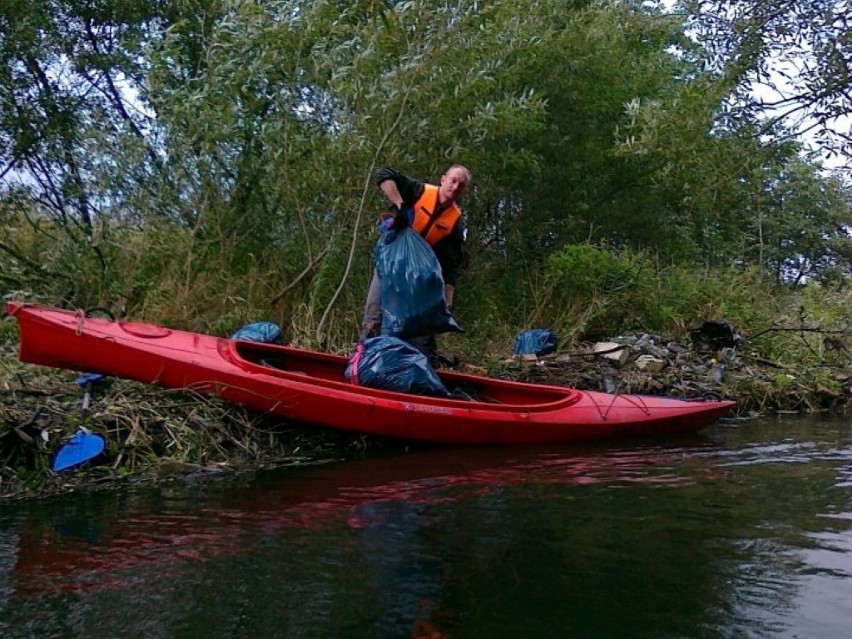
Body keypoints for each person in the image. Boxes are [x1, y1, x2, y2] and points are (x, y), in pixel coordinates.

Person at [360, 164, 471, 364]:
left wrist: (447, 303)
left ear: (464, 191)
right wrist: (400, 205)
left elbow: (450, 268)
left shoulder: (455, 223)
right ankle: (363, 363)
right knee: (373, 317)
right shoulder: (418, 191)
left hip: (417, 279)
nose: (455, 187)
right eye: (453, 181)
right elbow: (384, 175)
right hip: (390, 264)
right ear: (443, 179)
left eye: (460, 185)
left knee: (419, 329)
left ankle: (408, 369)